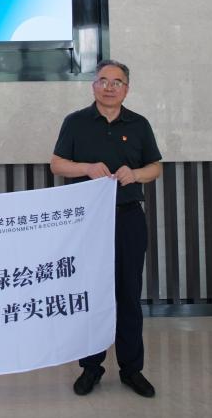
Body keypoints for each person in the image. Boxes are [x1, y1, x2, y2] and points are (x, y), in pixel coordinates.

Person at [50, 59, 162, 399]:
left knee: (128, 294)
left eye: (117, 82)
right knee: (91, 293)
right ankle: (91, 367)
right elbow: (56, 164)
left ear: (127, 89)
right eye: (103, 80)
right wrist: (86, 167)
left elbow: (155, 167)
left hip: (128, 218)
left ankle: (132, 369)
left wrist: (136, 174)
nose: (110, 87)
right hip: (87, 221)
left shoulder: (139, 124)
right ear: (93, 85)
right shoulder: (75, 122)